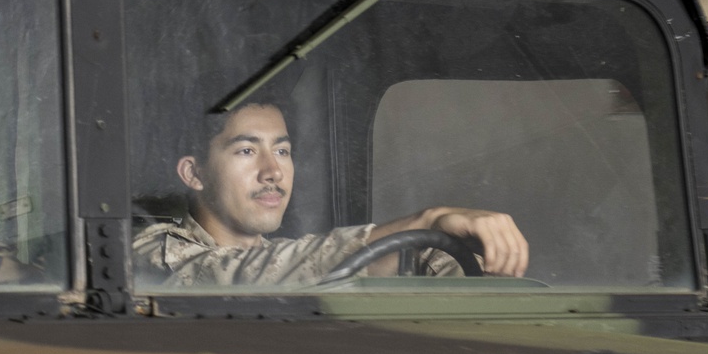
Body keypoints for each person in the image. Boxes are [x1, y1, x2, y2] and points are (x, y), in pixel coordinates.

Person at [133, 102, 528, 286]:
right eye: (247, 150)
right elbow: (240, 276)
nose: (273, 172)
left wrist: (471, 274)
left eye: (283, 151)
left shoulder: (297, 262)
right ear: (194, 172)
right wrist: (424, 222)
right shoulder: (152, 254)